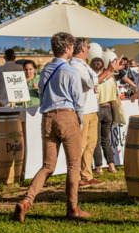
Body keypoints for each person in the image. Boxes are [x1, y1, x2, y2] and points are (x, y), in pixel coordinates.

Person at [13, 32, 88, 221]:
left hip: (47, 117)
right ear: (68, 48)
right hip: (67, 115)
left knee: (47, 166)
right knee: (73, 165)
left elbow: (43, 94)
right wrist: (79, 120)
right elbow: (78, 101)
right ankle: (72, 208)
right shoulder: (72, 71)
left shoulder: (45, 70)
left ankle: (27, 200)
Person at [70, 38, 118, 187]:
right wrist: (109, 70)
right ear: (83, 49)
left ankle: (86, 175)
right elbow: (91, 83)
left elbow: (98, 80)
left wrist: (112, 70)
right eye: (87, 46)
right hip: (82, 110)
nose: (89, 49)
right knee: (81, 145)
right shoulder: (74, 65)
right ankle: (76, 177)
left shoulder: (84, 65)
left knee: (91, 144)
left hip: (92, 109)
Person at [92, 57, 118, 175]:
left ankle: (99, 167)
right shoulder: (110, 79)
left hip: (96, 108)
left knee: (96, 140)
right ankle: (111, 165)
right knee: (105, 140)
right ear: (103, 67)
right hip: (108, 108)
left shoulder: (95, 79)